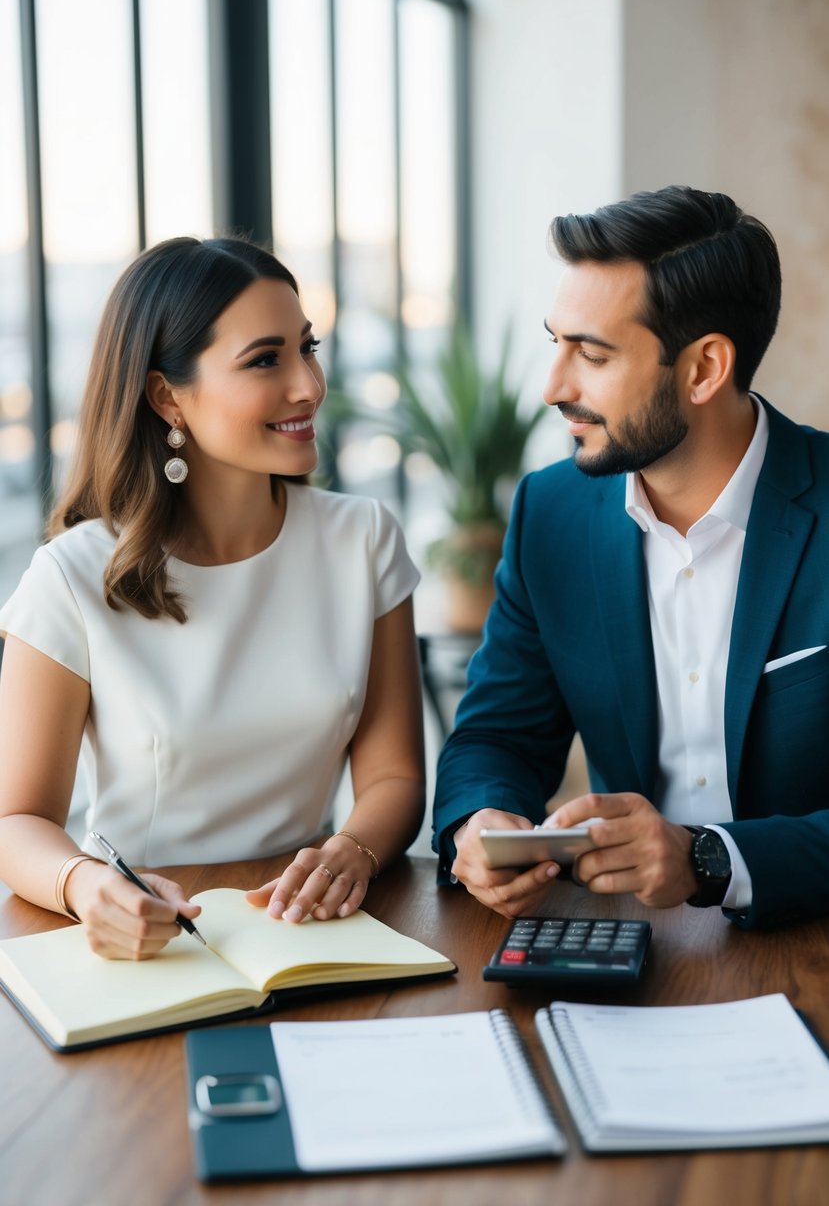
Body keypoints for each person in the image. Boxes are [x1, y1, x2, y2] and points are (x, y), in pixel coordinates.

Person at [0, 236, 425, 959]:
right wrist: (84, 884)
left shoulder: (362, 541)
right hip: (153, 942)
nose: (308, 385)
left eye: (307, 347)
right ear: (168, 396)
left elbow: (394, 775)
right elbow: (17, 820)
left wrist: (352, 848)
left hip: (307, 933)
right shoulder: (69, 577)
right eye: (266, 360)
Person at [433, 184, 829, 930]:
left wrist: (707, 858)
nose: (553, 387)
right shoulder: (548, 513)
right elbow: (498, 734)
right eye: (557, 343)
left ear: (704, 368)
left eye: (592, 354)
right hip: (628, 945)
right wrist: (479, 824)